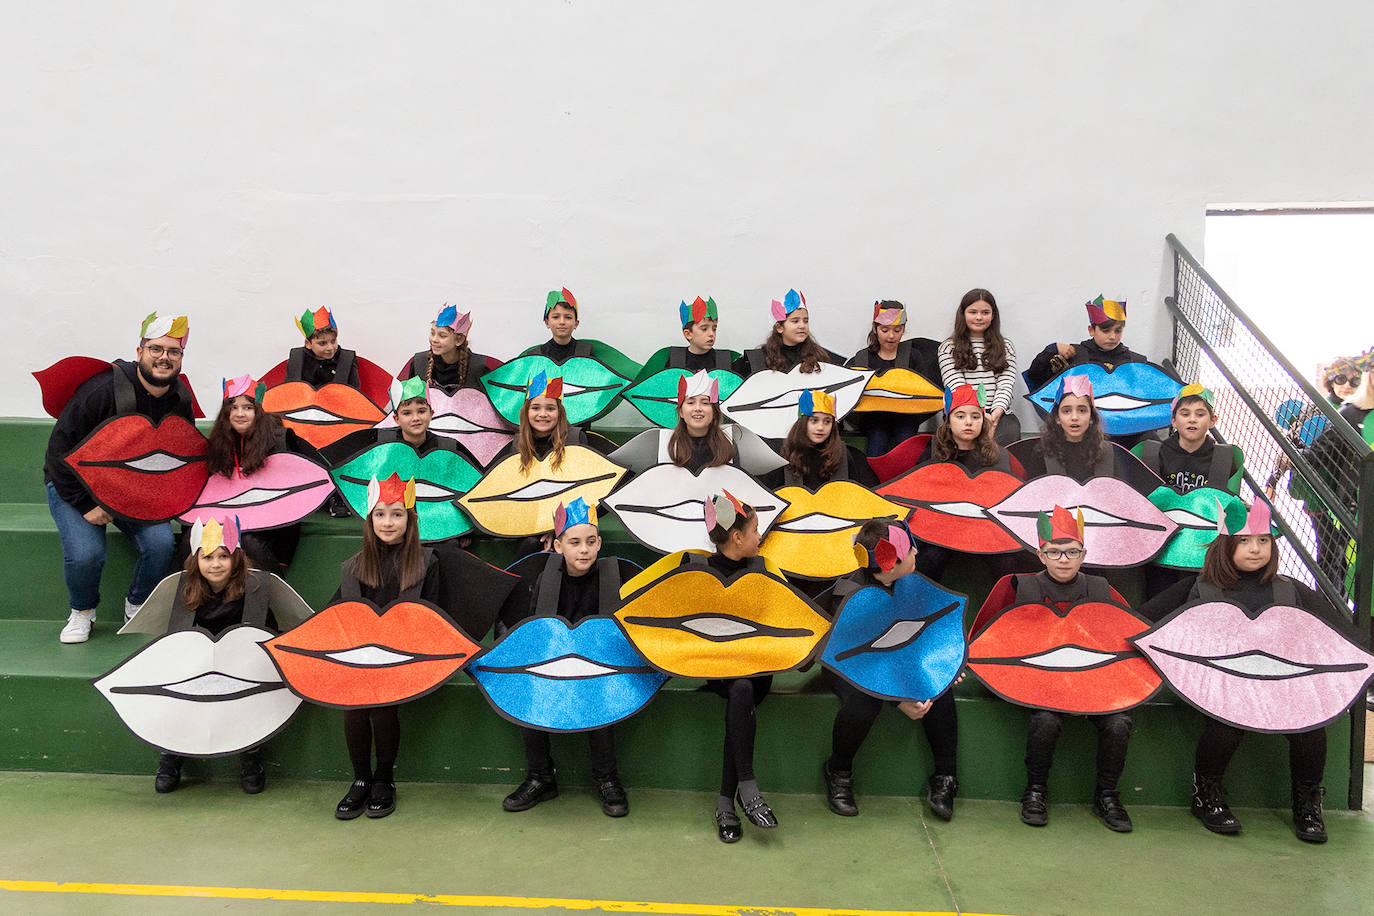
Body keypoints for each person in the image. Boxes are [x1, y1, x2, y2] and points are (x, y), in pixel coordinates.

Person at [1138, 502, 1350, 843]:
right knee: (1225, 724)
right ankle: (1206, 794)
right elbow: (1141, 620)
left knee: (1311, 727)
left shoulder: (1289, 589)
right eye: (1245, 541)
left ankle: (1307, 803)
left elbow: (1340, 631)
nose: (1255, 548)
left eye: (1264, 541)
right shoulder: (1200, 588)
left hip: (1280, 685)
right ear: (1226, 545)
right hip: (1221, 685)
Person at [985, 506, 1135, 832]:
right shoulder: (1021, 587)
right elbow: (992, 638)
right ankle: (1036, 790)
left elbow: (1126, 636)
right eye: (1054, 552)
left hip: (1093, 682)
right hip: (1041, 683)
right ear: (1041, 555)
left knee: (1119, 722)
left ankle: (1107, 794)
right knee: (1045, 720)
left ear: (1084, 554)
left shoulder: (1099, 588)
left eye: (1072, 552)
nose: (1063, 559)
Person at [46, 312, 192, 644]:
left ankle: (138, 604)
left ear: (181, 358)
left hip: (133, 485)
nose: (164, 358)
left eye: (173, 351)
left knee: (160, 544)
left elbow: (181, 456)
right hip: (74, 484)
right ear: (140, 351)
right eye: (156, 349)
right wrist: (86, 504)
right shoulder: (100, 390)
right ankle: (82, 612)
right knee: (87, 554)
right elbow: (57, 450)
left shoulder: (180, 398)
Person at [499, 498, 633, 818]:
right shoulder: (545, 578)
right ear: (559, 546)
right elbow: (533, 630)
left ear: (599, 542)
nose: (583, 550)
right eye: (574, 542)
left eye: (590, 542)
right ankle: (541, 776)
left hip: (598, 665)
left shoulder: (613, 576)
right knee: (527, 684)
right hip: (556, 662)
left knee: (601, 691)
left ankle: (606, 777)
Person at [822, 520, 961, 821]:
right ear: (889, 564)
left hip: (897, 656)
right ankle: (839, 769)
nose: (916, 552)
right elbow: (858, 660)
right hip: (848, 666)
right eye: (911, 549)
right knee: (864, 699)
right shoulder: (850, 595)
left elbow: (928, 635)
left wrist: (949, 666)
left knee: (938, 684)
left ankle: (946, 775)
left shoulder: (910, 580)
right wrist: (896, 701)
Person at [331, 474, 448, 820]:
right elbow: (340, 617)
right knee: (354, 703)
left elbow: (433, 617)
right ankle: (361, 779)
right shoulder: (353, 566)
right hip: (362, 654)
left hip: (405, 657)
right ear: (370, 520)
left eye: (397, 514)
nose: (388, 522)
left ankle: (384, 778)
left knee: (382, 704)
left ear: (409, 520)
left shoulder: (427, 562)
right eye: (380, 514)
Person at [153, 516, 278, 796]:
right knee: (176, 685)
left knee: (248, 688)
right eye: (207, 557)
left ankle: (250, 755)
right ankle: (171, 755)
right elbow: (177, 638)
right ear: (196, 561)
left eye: (223, 556)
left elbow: (261, 634)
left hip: (241, 660)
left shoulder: (254, 587)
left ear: (236, 559)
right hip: (198, 659)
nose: (216, 564)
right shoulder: (184, 587)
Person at [699, 491, 780, 843]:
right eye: (755, 531)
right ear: (737, 538)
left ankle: (726, 803)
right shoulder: (699, 573)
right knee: (740, 689)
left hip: (756, 667)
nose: (759, 537)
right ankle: (745, 788)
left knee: (745, 688)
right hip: (717, 667)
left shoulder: (763, 571)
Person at [202, 374, 314, 575]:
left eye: (247, 408)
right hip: (226, 518)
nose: (240, 413)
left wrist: (283, 558)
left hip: (269, 528)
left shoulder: (279, 441)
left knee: (248, 542)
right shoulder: (218, 444)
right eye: (233, 407)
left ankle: (270, 597)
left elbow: (293, 500)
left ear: (258, 411)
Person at [847, 300, 943, 455]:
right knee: (877, 439)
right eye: (885, 330)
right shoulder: (863, 358)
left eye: (897, 330)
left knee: (907, 442)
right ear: (875, 328)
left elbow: (924, 389)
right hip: (873, 418)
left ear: (903, 329)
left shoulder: (913, 356)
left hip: (905, 417)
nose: (891, 336)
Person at [937, 289, 1021, 446]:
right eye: (973, 312)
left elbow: (1006, 385)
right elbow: (957, 386)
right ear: (963, 314)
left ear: (993, 315)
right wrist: (978, 416)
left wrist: (995, 414)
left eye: (985, 312)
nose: (979, 317)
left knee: (1010, 430)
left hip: (998, 412)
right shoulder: (948, 347)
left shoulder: (1005, 346)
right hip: (962, 412)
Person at [1131, 384, 1243, 495]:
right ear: (1173, 420)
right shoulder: (1150, 453)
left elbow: (1231, 505)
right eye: (1185, 414)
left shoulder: (1226, 459)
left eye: (1200, 414)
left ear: (1212, 420)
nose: (1192, 419)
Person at [1025, 295, 1147, 390]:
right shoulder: (1073, 355)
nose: (1112, 336)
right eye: (1106, 331)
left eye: (1118, 331)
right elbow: (1034, 377)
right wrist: (1051, 349)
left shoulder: (1136, 361)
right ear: (1091, 330)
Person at [774, 389, 878, 490]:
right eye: (814, 421)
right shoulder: (784, 453)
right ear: (802, 423)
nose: (820, 427)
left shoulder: (846, 454)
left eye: (827, 421)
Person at [732, 289, 842, 378]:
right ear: (779, 327)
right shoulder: (760, 358)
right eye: (795, 321)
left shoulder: (820, 355)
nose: (802, 325)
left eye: (806, 320)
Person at [396, 304, 496, 395]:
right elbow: (407, 402)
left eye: (442, 335)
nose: (434, 339)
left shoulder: (478, 368)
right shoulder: (419, 363)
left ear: (459, 340)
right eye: (432, 333)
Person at [638, 296, 739, 377]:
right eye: (704, 329)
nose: (711, 334)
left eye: (714, 328)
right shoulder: (672, 359)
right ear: (688, 334)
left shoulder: (726, 360)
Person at [284, 306, 362, 390]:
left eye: (333, 341)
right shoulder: (297, 359)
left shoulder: (347, 360)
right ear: (308, 344)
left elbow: (355, 395)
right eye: (322, 343)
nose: (330, 348)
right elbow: (289, 393)